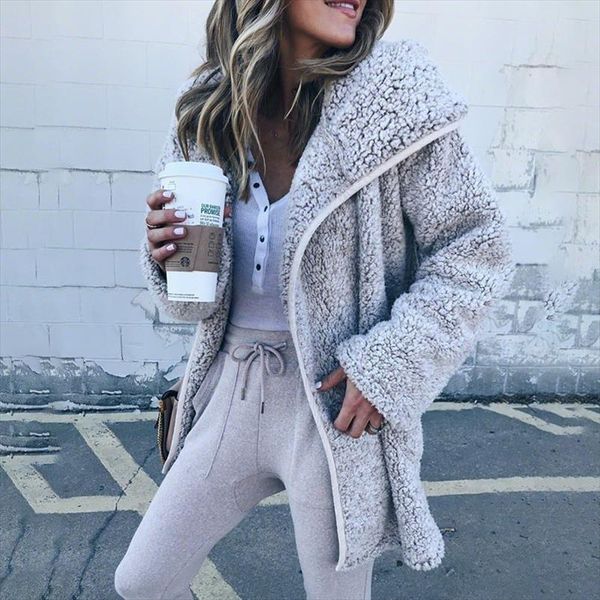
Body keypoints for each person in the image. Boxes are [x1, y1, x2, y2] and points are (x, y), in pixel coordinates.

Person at [115, 0, 515, 598]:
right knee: (142, 581)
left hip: (332, 404)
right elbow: (191, 306)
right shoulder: (208, 112)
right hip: (230, 388)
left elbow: (478, 248)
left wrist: (391, 365)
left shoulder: (395, 100)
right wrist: (168, 257)